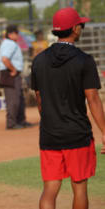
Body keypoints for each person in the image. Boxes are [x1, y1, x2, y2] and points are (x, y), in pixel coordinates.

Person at [31, 7, 105, 209]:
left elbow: (39, 98)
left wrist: (49, 121)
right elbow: (93, 99)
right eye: (80, 25)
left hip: (49, 135)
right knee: (79, 187)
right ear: (74, 29)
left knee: (50, 189)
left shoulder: (38, 61)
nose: (81, 28)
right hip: (77, 133)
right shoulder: (84, 60)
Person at [0, 24, 32, 129]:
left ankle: (21, 121)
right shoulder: (10, 44)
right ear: (10, 34)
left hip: (11, 73)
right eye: (16, 33)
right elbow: (4, 59)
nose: (18, 35)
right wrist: (13, 70)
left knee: (19, 98)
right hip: (9, 73)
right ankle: (11, 123)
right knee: (13, 100)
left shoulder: (10, 43)